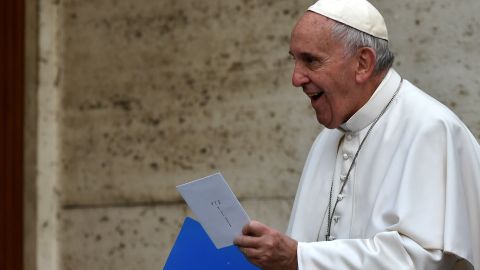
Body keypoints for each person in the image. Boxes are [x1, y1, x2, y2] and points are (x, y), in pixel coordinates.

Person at [233, 0, 480, 269]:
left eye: (311, 61)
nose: (296, 78)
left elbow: (419, 260)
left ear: (363, 63)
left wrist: (298, 258)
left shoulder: (431, 129)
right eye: (295, 60)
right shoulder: (328, 139)